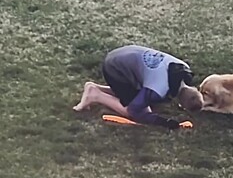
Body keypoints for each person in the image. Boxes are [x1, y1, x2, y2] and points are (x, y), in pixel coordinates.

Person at [73, 45, 203, 129]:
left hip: (126, 52)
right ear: (181, 104)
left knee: (142, 97)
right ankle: (95, 95)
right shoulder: (158, 89)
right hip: (115, 67)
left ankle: (96, 87)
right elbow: (135, 110)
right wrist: (164, 122)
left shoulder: (183, 68)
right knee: (134, 110)